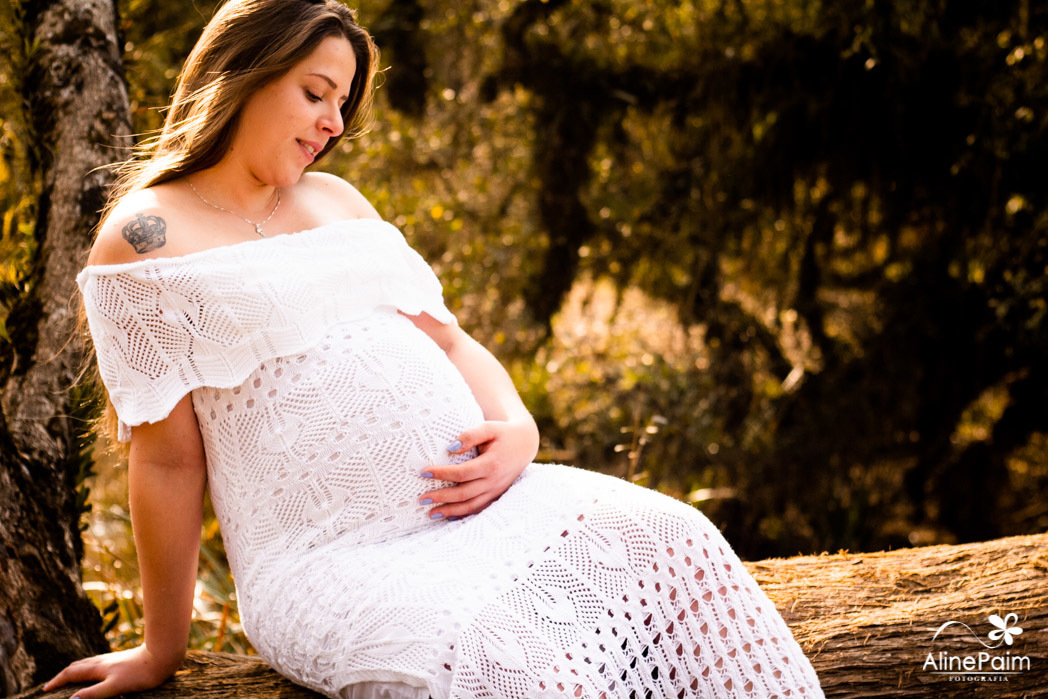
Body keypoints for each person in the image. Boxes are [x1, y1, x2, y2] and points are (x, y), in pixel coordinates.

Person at [45, 1, 824, 697]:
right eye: (315, 93)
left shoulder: (336, 200)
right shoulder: (144, 240)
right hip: (332, 561)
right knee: (515, 667)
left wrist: (519, 428)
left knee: (677, 539)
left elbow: (451, 340)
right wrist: (162, 649)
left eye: (342, 104)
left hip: (490, 509)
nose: (334, 123)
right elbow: (167, 461)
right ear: (244, 72)